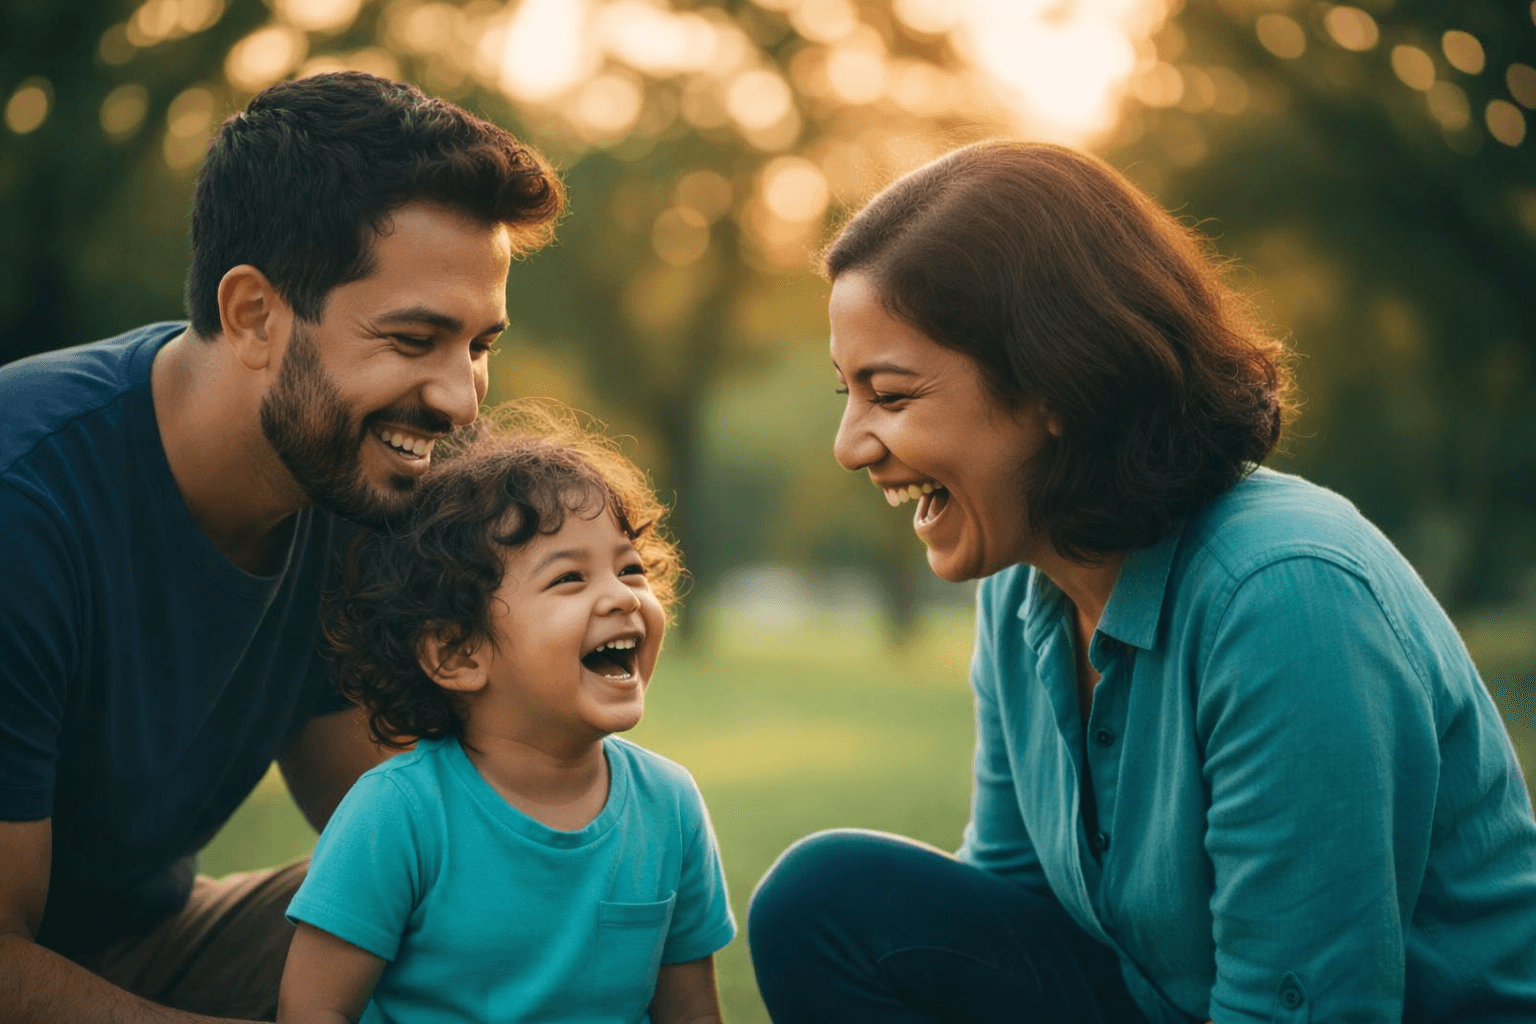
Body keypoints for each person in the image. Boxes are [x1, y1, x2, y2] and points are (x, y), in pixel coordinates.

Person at [746, 141, 1536, 1023]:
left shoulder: (1285, 594)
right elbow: (1006, 930)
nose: (849, 445)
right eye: (845, 393)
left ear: (1055, 386)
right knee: (830, 905)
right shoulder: (1023, 590)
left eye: (889, 396)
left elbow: (1306, 1008)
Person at [0, 72, 563, 1023]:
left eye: (477, 346)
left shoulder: (347, 479)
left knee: (506, 905)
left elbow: (400, 817)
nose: (462, 399)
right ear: (254, 313)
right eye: (415, 337)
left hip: (150, 940)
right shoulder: (26, 502)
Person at [275, 405, 735, 1024]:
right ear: (458, 652)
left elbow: (692, 1013)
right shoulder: (398, 813)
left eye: (630, 568)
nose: (624, 595)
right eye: (570, 578)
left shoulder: (669, 806)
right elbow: (313, 1013)